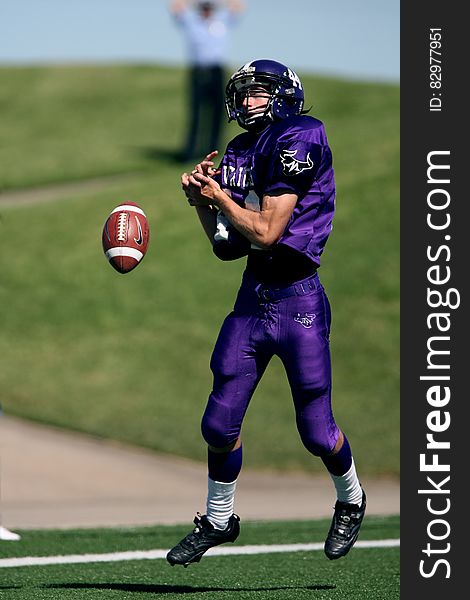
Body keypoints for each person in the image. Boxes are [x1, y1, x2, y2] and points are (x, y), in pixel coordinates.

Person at [166, 59, 366, 567]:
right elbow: (229, 246)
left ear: (284, 95)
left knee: (317, 432)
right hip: (253, 298)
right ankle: (218, 518)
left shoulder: (302, 135)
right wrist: (202, 204)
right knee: (218, 423)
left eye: (257, 92)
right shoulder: (238, 150)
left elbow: (268, 232)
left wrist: (220, 199)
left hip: (299, 300)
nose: (246, 101)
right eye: (244, 93)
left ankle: (351, 499)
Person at [169, 1, 244, 162]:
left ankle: (214, 151)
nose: (207, 11)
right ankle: (190, 152)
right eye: (204, 8)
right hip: (198, 71)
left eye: (209, 8)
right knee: (196, 112)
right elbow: (176, 7)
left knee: (218, 112)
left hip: (217, 71)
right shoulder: (192, 23)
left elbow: (238, 6)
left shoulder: (222, 21)